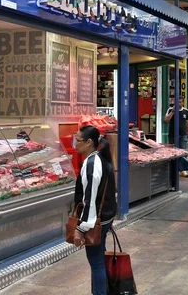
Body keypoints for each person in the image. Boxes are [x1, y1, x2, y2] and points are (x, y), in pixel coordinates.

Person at [72, 125, 117, 295]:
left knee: (96, 262)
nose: (75, 143)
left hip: (95, 222)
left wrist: (81, 228)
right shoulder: (99, 158)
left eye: (77, 140)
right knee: (99, 259)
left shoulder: (92, 164)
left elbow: (90, 200)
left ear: (89, 142)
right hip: (105, 217)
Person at [165, 98, 188, 177]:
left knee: (183, 151)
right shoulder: (170, 109)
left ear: (183, 102)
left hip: (183, 134)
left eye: (180, 102)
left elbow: (187, 123)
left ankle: (183, 169)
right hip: (172, 134)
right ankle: (173, 169)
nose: (178, 104)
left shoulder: (185, 111)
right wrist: (173, 111)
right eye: (177, 102)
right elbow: (166, 120)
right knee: (173, 152)